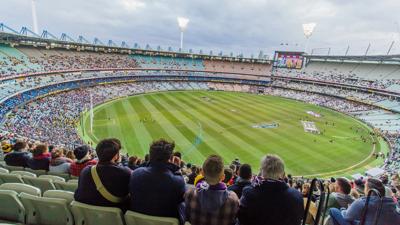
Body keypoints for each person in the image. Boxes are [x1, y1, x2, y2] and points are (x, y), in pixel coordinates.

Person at [238, 154, 304, 225]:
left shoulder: (249, 193)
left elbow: (241, 219)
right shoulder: (297, 195)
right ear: (283, 174)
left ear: (261, 172)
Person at [129, 139, 186, 220]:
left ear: (151, 155)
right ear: (170, 158)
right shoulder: (177, 181)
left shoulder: (136, 174)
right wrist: (176, 168)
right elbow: (180, 200)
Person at [74, 138, 131, 209]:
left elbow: (78, 195)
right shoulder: (125, 173)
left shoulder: (86, 170)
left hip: (86, 217)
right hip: (114, 217)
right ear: (116, 156)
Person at [185, 155, 239, 225]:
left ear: (203, 174)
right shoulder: (233, 199)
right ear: (223, 177)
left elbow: (187, 216)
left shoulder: (190, 194)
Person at [329, 178, 400, 225]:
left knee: (333, 210)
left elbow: (347, 217)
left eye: (365, 187)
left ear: (369, 190)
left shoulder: (362, 202)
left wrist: (343, 210)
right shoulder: (392, 203)